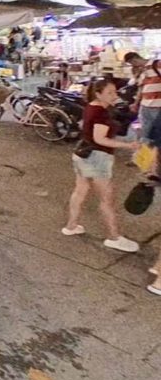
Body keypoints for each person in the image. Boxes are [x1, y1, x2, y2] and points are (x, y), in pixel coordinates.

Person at [61, 79, 142, 252]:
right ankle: (114, 237)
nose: (115, 96)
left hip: (83, 153)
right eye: (110, 93)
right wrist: (129, 146)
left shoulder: (92, 106)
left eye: (115, 92)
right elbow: (100, 139)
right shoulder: (100, 113)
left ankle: (71, 226)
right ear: (98, 94)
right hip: (97, 158)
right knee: (107, 199)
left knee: (80, 191)